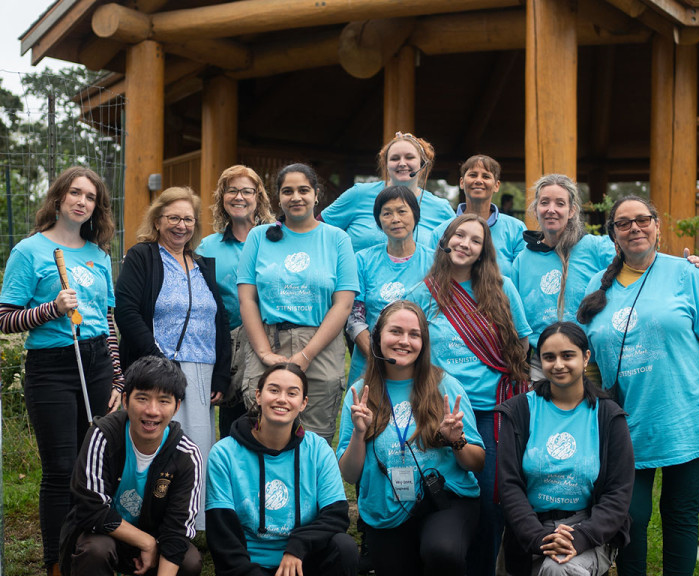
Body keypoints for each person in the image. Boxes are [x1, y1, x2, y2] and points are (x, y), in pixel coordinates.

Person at [576, 195, 699, 576]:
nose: (635, 227)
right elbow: (590, 365)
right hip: (624, 427)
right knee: (630, 519)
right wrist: (594, 413)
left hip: (687, 421)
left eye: (643, 219)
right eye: (624, 223)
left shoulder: (686, 274)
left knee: (680, 517)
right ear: (613, 235)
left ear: (657, 226)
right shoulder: (595, 286)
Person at [0, 166, 123, 576]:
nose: (82, 202)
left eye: (90, 197)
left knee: (94, 463)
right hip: (52, 365)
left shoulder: (98, 255)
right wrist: (51, 309)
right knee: (60, 469)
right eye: (75, 193)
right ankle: (56, 561)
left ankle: (88, 551)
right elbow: (5, 319)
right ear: (58, 197)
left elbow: (106, 323)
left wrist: (117, 377)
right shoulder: (30, 251)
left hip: (96, 363)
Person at [408, 213, 531, 576]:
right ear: (445, 240)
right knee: (439, 496)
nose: (465, 243)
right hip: (439, 411)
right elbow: (410, 349)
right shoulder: (422, 294)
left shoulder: (502, 288)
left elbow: (522, 343)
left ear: (483, 251)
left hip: (493, 412)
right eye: (459, 235)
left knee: (491, 502)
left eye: (475, 240)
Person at [337, 300, 484, 576]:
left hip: (445, 500)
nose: (404, 341)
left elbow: (477, 463)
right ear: (378, 336)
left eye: (414, 334)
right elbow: (350, 474)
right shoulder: (360, 393)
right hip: (386, 506)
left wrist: (456, 440)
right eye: (396, 331)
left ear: (423, 342)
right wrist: (359, 433)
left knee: (441, 551)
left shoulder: (445, 385)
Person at [512, 174, 699, 381]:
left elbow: (642, 259)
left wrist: (682, 268)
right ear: (535, 209)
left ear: (572, 210)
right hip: (544, 362)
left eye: (560, 203)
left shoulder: (595, 247)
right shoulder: (523, 261)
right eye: (544, 202)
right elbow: (514, 317)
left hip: (591, 359)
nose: (551, 209)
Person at [115, 186, 231, 530]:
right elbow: (127, 310)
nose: (181, 225)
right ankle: (144, 519)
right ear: (158, 220)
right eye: (173, 218)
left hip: (202, 371)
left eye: (188, 219)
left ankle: (188, 524)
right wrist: (156, 360)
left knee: (195, 446)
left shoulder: (201, 265)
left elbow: (219, 320)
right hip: (159, 371)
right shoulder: (143, 256)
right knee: (155, 441)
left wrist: (221, 375)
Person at [497, 322, 634, 576]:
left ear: (586, 358)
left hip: (590, 527)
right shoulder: (519, 411)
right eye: (549, 357)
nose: (558, 364)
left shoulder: (608, 416)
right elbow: (509, 486)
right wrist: (540, 536)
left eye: (567, 355)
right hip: (530, 528)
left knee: (559, 570)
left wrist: (581, 537)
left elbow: (618, 493)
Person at [237, 163, 357, 444]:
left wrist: (306, 355)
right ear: (278, 198)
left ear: (316, 195)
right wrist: (264, 353)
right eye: (287, 191)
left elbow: (343, 304)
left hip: (320, 341)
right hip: (267, 338)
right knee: (263, 429)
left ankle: (309, 487)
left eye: (304, 190)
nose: (296, 197)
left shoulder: (337, 239)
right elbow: (247, 299)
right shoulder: (259, 236)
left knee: (314, 437)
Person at [206, 362, 357, 576]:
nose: (282, 399)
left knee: (344, 547)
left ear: (303, 403)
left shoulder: (318, 450)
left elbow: (336, 515)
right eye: (274, 390)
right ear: (258, 395)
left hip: (300, 561)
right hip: (248, 566)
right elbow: (222, 533)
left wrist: (298, 545)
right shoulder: (224, 454)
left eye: (292, 393)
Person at [59, 356, 203, 576]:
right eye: (142, 398)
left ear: (176, 407)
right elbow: (91, 509)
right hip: (104, 535)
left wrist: (154, 545)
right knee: (96, 550)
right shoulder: (103, 436)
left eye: (164, 401)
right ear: (125, 400)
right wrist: (146, 542)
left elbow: (177, 529)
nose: (152, 411)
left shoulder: (186, 454)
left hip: (156, 536)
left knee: (188, 561)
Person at [198, 164, 275, 438]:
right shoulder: (208, 247)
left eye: (246, 191)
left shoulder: (275, 240)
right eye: (232, 191)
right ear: (222, 198)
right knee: (234, 425)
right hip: (230, 349)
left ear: (259, 197)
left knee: (271, 418)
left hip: (271, 342)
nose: (239, 197)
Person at [346, 185, 434, 386]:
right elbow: (354, 318)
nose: (395, 219)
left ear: (415, 215)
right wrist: (379, 357)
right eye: (387, 213)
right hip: (370, 363)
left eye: (402, 211)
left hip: (420, 365)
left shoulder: (434, 261)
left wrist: (411, 360)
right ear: (378, 220)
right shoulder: (362, 260)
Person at [320, 131, 454, 251]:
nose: (402, 163)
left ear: (423, 164)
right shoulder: (359, 194)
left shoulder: (441, 208)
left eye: (409, 157)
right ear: (386, 164)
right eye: (395, 158)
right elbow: (317, 231)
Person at [429, 154, 526, 278]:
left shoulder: (516, 229)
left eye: (486, 176)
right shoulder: (441, 232)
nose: (479, 180)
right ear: (462, 182)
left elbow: (524, 277)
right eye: (473, 175)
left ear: (496, 185)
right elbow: (432, 279)